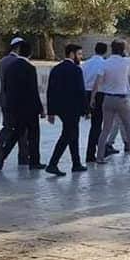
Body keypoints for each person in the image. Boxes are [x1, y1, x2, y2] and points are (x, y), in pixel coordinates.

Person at [0, 40, 45, 170]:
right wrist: (40, 108)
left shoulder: (10, 67)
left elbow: (7, 88)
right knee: (34, 135)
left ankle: (0, 157)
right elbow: (33, 91)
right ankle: (34, 162)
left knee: (16, 134)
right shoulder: (30, 68)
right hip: (29, 108)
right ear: (30, 54)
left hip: (15, 107)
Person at [93, 40, 130, 165]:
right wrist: (128, 46)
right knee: (129, 128)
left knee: (105, 129)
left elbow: (98, 82)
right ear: (122, 49)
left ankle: (100, 157)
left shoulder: (105, 63)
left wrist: (92, 97)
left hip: (107, 99)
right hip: (122, 99)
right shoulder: (125, 62)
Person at [44, 44, 88, 176]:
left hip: (60, 109)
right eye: (79, 54)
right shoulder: (76, 70)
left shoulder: (56, 69)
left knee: (73, 135)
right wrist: (86, 110)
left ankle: (76, 163)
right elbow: (81, 92)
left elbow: (50, 92)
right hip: (72, 109)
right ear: (72, 54)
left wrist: (51, 112)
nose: (81, 57)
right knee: (67, 135)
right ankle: (53, 164)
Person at [0, 37, 29, 166]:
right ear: (18, 48)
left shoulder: (4, 60)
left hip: (6, 100)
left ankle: (23, 156)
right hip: (14, 102)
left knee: (18, 129)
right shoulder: (16, 62)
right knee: (10, 129)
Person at [82, 42, 109, 163]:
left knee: (95, 125)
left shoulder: (85, 64)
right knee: (97, 125)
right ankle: (91, 154)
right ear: (105, 51)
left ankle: (100, 149)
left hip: (85, 93)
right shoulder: (104, 64)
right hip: (99, 94)